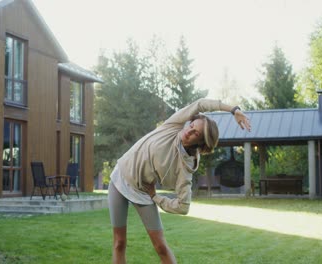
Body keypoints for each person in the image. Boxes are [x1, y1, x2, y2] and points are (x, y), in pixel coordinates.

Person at [108, 98, 251, 264]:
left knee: (160, 246)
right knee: (119, 242)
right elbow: (200, 104)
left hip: (142, 191)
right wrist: (233, 110)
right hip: (120, 178)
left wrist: (156, 198)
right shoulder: (173, 126)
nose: (188, 131)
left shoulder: (185, 168)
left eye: (195, 133)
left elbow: (184, 207)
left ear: (200, 143)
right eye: (191, 126)